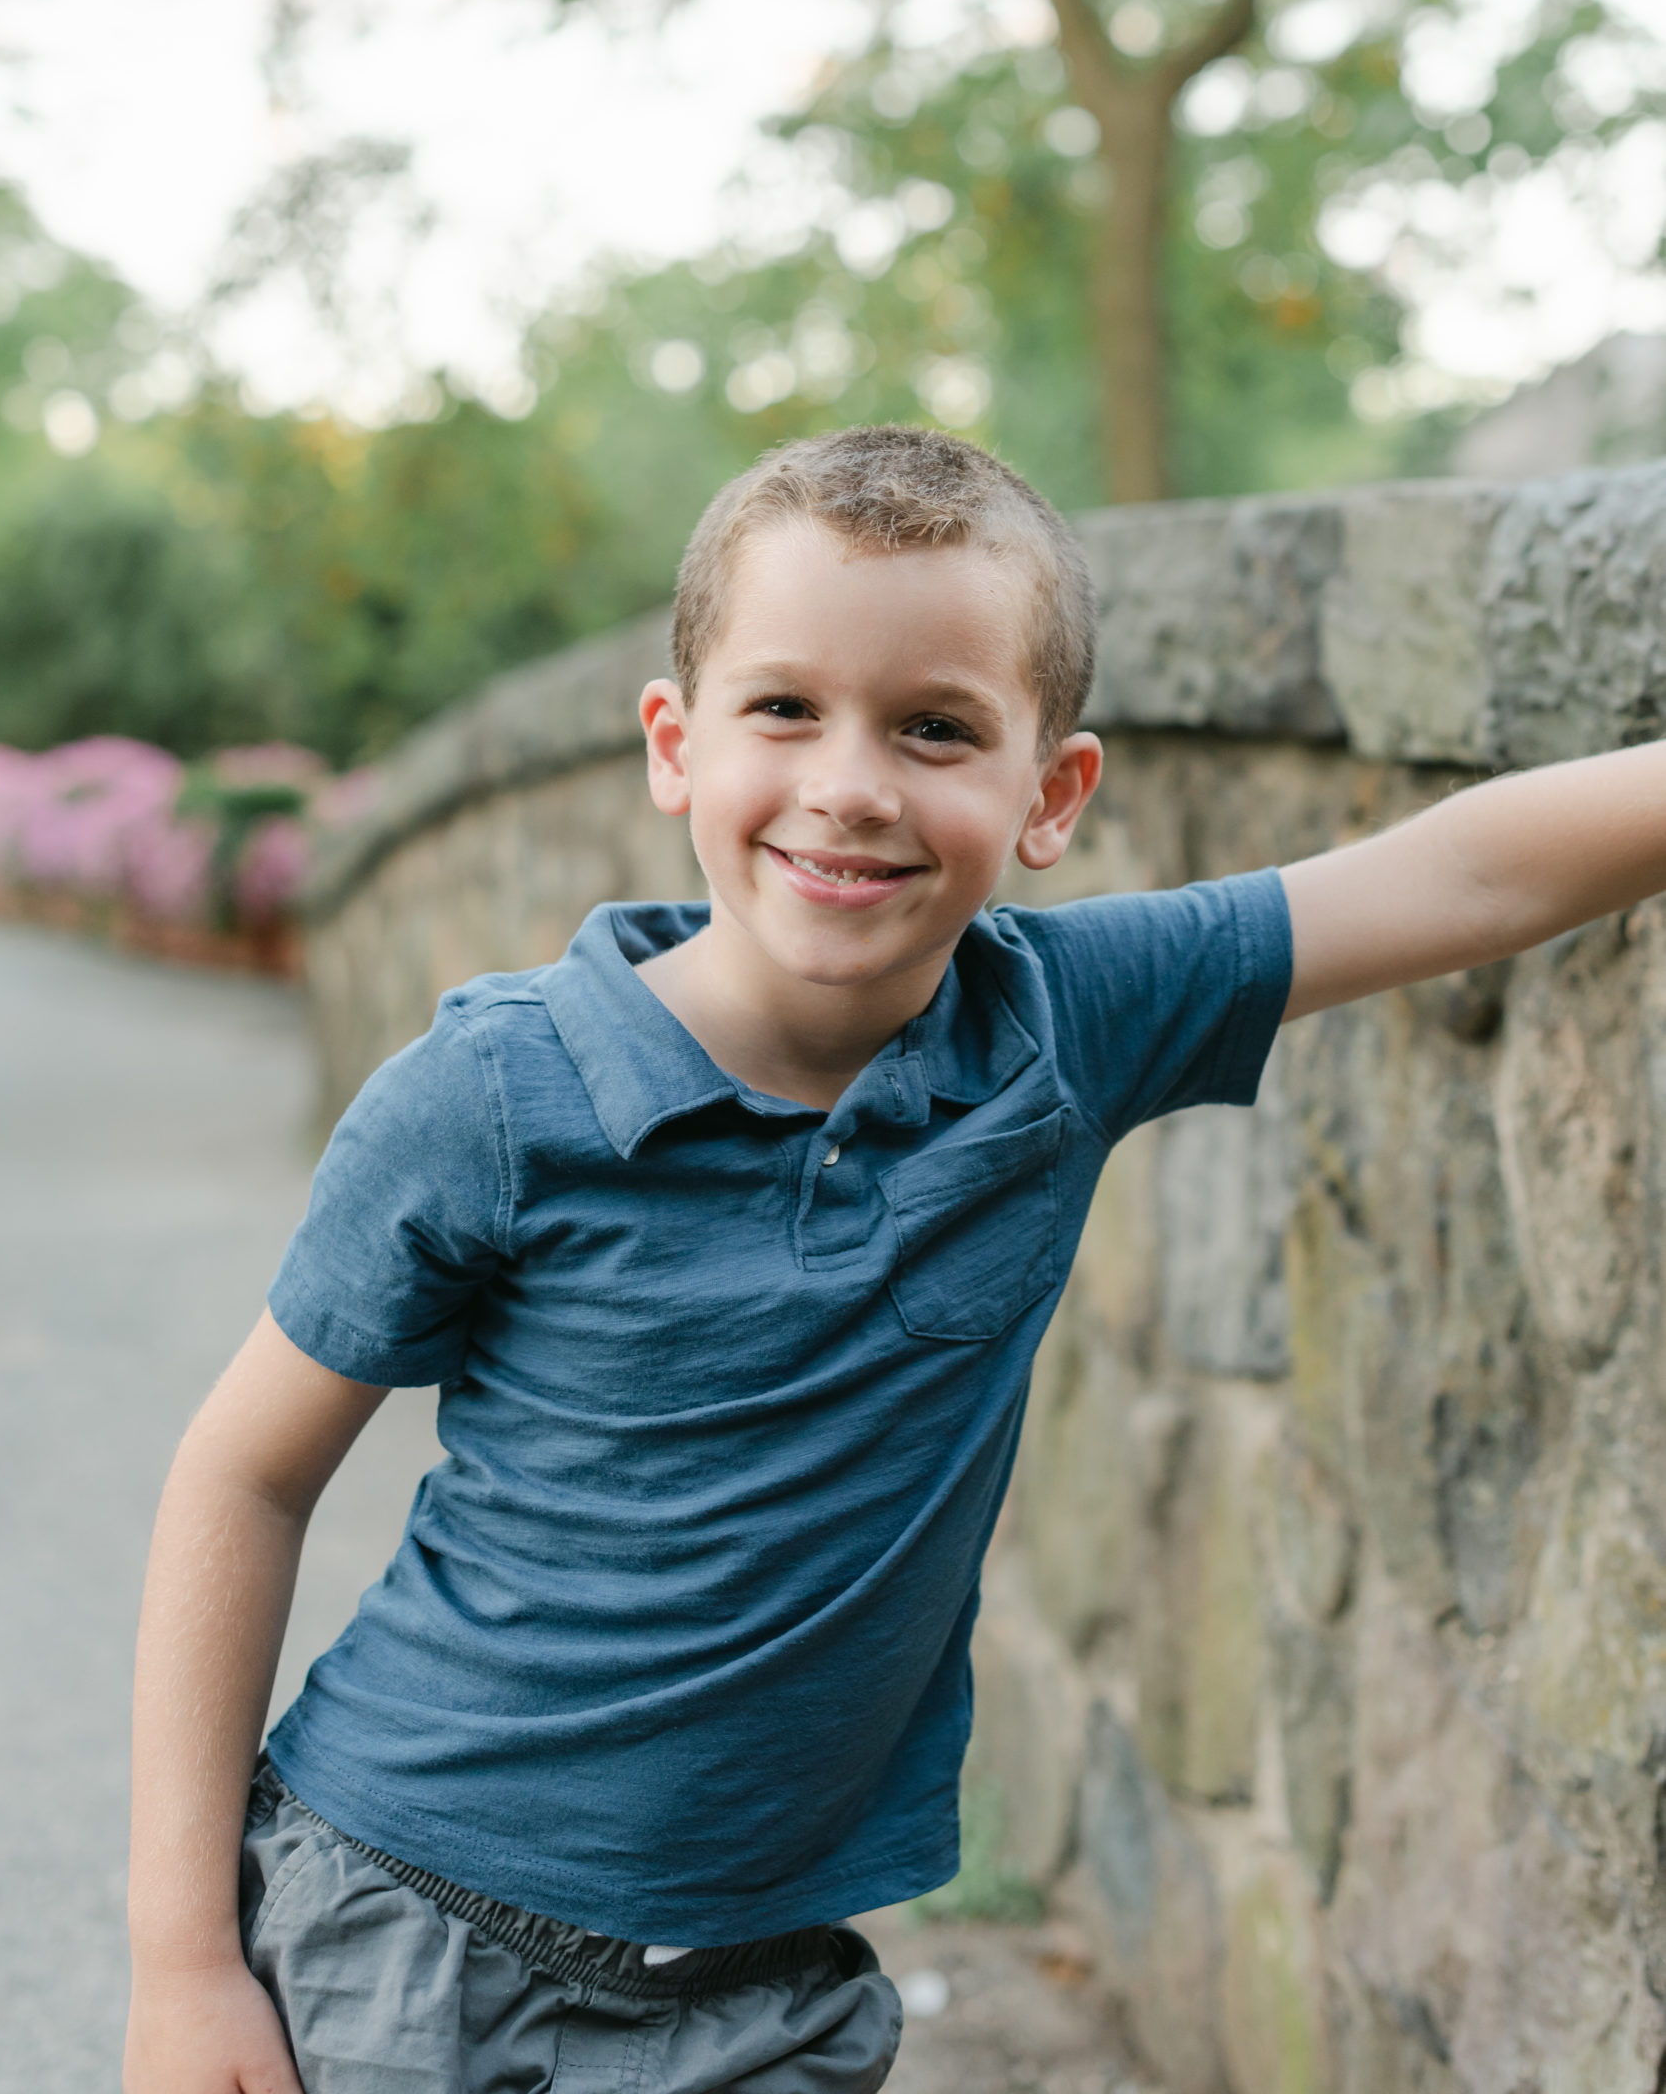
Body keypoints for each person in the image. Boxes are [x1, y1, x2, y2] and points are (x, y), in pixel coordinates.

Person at [124, 425, 1666, 2094]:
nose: (850, 783)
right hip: (403, 1936)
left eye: (935, 728)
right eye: (782, 708)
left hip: (768, 1987)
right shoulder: (490, 1098)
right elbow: (243, 1477)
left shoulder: (1066, 1024)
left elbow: (1467, 868)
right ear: (674, 745)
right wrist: (181, 1957)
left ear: (1051, 794)